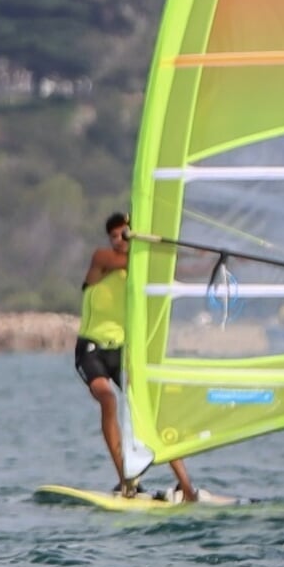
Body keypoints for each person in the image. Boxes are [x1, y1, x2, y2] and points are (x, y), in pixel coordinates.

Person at [76, 213, 197, 502]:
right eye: (115, 236)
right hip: (91, 349)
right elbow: (136, 261)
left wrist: (203, 259)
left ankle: (187, 487)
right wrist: (152, 246)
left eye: (125, 235)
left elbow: (175, 271)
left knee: (152, 410)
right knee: (109, 400)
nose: (120, 241)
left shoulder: (139, 271)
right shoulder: (102, 258)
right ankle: (125, 481)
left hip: (122, 351)